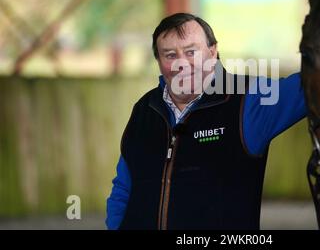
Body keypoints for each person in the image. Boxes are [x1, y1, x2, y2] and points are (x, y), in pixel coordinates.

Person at [105, 12, 307, 229]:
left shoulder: (249, 100)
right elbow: (124, 188)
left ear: (212, 52)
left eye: (191, 52)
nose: (181, 63)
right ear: (159, 61)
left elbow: (316, 83)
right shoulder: (145, 109)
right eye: (170, 55)